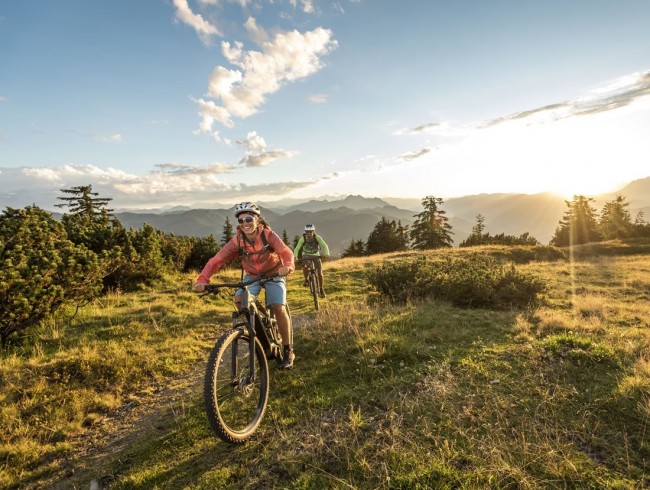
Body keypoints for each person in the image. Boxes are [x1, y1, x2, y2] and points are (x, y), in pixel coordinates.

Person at [194, 202, 296, 369]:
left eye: (249, 219)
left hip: (274, 273)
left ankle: (287, 350)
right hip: (252, 276)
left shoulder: (268, 236)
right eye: (241, 221)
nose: (245, 223)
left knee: (278, 307)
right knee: (240, 300)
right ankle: (261, 329)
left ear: (257, 219)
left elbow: (285, 252)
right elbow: (217, 260)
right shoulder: (237, 241)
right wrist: (203, 279)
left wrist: (288, 266)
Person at [293, 224, 330, 298]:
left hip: (316, 255)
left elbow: (324, 245)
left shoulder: (317, 237)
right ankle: (306, 280)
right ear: (305, 232)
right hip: (305, 255)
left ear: (313, 231)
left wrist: (326, 253)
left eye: (310, 232)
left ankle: (321, 289)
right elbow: (297, 248)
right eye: (307, 232)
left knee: (319, 273)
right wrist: (295, 257)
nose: (309, 233)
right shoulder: (302, 238)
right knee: (305, 266)